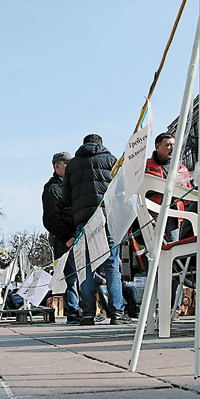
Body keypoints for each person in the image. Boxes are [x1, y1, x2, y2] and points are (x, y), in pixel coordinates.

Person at [62, 134, 132, 325]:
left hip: (83, 222)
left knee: (84, 268)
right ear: (101, 144)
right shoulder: (111, 160)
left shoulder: (73, 165)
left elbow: (66, 197)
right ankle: (117, 313)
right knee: (111, 267)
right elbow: (121, 191)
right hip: (106, 219)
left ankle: (87, 315)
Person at [42, 151, 82, 324]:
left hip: (75, 233)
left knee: (81, 274)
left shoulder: (72, 185)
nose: (70, 167)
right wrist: (65, 236)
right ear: (57, 166)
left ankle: (81, 310)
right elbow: (51, 218)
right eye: (67, 164)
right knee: (71, 275)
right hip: (64, 237)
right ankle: (73, 313)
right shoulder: (52, 189)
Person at [145, 132, 194, 243]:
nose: (172, 148)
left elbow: (189, 197)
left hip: (175, 215)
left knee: (174, 244)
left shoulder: (181, 168)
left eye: (173, 145)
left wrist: (183, 187)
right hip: (152, 214)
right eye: (168, 145)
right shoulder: (146, 166)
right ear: (157, 147)